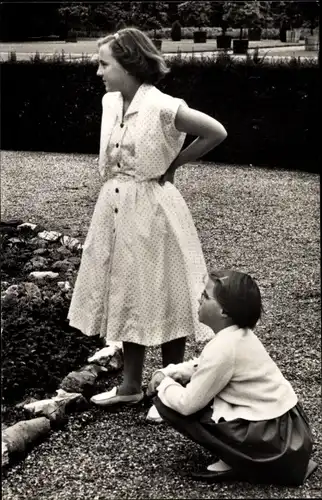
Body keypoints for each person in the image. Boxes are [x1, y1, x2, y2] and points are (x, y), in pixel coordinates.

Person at [67, 27, 228, 422]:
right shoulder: (110, 103)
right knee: (127, 291)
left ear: (131, 65)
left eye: (105, 64)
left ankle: (167, 389)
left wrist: (175, 164)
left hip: (154, 209)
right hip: (116, 207)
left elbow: (215, 131)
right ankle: (130, 386)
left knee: (166, 290)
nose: (99, 72)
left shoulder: (163, 106)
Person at [147, 270, 318, 485]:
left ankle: (239, 459)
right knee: (198, 390)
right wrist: (171, 372)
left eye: (206, 296)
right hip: (286, 430)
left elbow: (187, 404)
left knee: (170, 403)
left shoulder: (224, 348)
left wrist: (163, 385)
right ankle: (243, 455)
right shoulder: (239, 336)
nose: (199, 298)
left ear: (224, 312)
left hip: (273, 440)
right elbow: (203, 366)